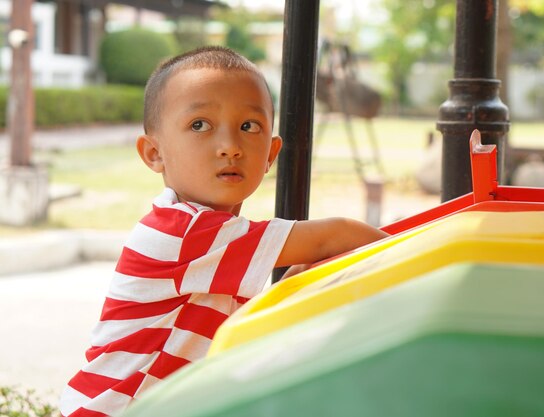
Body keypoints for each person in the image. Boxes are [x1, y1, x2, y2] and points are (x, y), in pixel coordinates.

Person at [59, 46, 389, 417]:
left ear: (270, 154)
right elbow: (337, 235)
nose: (230, 147)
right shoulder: (183, 231)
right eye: (200, 125)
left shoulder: (219, 241)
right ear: (154, 153)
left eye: (249, 126)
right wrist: (416, 261)